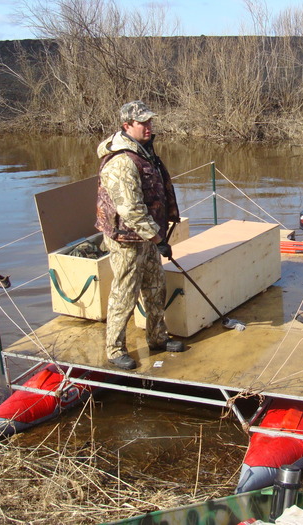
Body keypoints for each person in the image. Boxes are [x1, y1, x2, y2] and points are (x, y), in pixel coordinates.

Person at [95, 100, 180, 370]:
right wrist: (159, 240)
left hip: (147, 236)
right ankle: (114, 349)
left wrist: (157, 236)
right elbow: (130, 209)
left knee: (156, 288)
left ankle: (157, 337)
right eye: (142, 122)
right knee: (125, 294)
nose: (148, 126)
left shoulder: (144, 152)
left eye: (149, 121)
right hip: (126, 240)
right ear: (126, 125)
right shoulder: (121, 161)